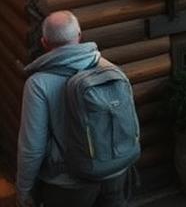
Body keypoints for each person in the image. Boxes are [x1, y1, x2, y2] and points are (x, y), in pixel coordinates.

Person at [17, 11, 133, 207]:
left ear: (44, 42)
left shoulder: (38, 84)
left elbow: (32, 147)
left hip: (68, 184)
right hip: (115, 172)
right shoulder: (108, 68)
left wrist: (24, 189)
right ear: (79, 36)